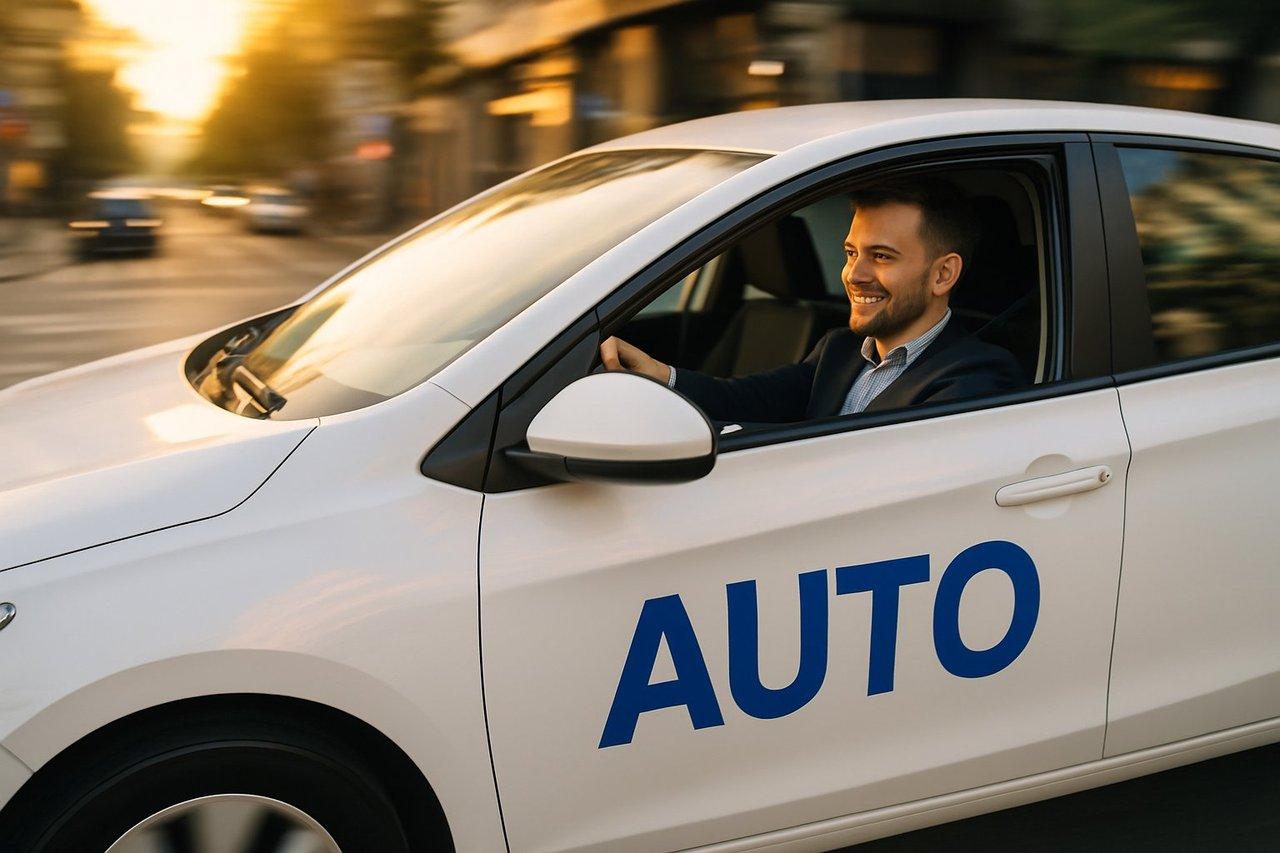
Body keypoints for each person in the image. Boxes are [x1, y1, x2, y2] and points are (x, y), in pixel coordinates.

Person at [599, 177, 1026, 424]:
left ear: (942, 274)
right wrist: (660, 375)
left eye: (881, 256)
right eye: (851, 253)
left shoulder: (979, 376)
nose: (854, 275)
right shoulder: (838, 350)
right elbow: (745, 399)